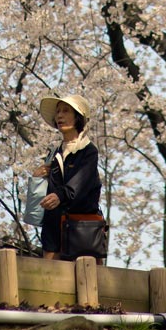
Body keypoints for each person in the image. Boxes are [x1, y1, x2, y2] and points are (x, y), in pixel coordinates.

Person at [34, 94, 104, 261]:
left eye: (65, 111)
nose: (59, 116)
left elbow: (80, 182)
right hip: (53, 229)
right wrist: (38, 178)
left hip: (81, 229)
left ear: (77, 117)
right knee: (49, 280)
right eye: (58, 112)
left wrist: (60, 195)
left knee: (84, 281)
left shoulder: (88, 151)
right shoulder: (54, 153)